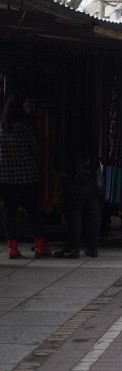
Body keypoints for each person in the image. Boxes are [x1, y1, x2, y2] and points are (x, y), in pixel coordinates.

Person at [0, 95, 52, 259]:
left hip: (6, 178)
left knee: (10, 213)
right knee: (32, 212)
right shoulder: (26, 128)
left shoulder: (1, 128)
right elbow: (36, 151)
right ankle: (40, 246)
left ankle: (13, 249)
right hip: (28, 177)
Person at [53, 154, 102, 259]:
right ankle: (92, 247)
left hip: (74, 167)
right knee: (92, 206)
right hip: (91, 165)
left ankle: (73, 247)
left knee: (74, 209)